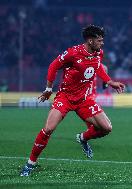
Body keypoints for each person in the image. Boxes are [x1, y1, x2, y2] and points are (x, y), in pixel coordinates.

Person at [20, 25, 125, 176]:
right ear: (90, 41)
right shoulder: (73, 53)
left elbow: (98, 68)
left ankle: (82, 138)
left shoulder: (98, 53)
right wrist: (49, 89)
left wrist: (109, 81)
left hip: (84, 99)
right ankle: (30, 163)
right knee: (48, 129)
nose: (102, 43)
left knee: (107, 128)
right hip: (66, 97)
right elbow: (53, 66)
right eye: (100, 40)